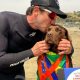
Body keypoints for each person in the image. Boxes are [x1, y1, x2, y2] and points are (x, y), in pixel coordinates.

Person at [0, 0, 73, 80]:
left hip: (16, 72)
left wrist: (69, 49)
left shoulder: (44, 31)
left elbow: (59, 46)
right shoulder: (4, 20)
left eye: (56, 17)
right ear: (36, 11)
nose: (53, 21)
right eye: (52, 15)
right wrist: (32, 52)